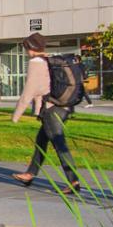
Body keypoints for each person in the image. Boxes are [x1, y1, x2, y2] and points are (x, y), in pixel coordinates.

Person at [11, 33, 79, 191]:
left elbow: (29, 91)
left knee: (59, 143)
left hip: (51, 109)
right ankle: (30, 174)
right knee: (41, 141)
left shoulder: (36, 63)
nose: (25, 51)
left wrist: (16, 115)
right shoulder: (48, 60)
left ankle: (73, 182)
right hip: (63, 107)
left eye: (26, 47)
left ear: (31, 48)